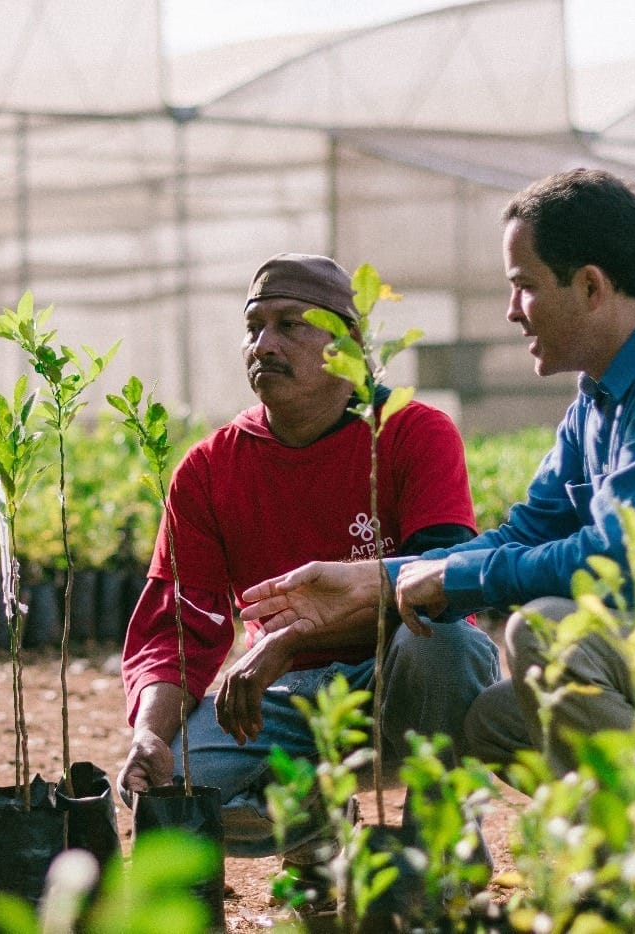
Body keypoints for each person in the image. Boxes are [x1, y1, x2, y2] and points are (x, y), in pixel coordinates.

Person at [238, 169, 635, 776]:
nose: (513, 310)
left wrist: (452, 574)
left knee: (547, 630)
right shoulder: (598, 402)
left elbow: (613, 560)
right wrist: (374, 578)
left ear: (592, 287)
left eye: (526, 285)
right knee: (496, 723)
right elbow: (525, 535)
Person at [117, 252, 500, 874]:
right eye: (254, 327)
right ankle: (317, 836)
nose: (264, 344)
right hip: (287, 695)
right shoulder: (210, 469)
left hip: (401, 680)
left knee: (447, 644)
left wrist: (291, 641)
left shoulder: (412, 431)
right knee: (186, 789)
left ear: (348, 341)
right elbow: (178, 630)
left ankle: (444, 844)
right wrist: (152, 736)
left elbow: (442, 586)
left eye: (291, 324)